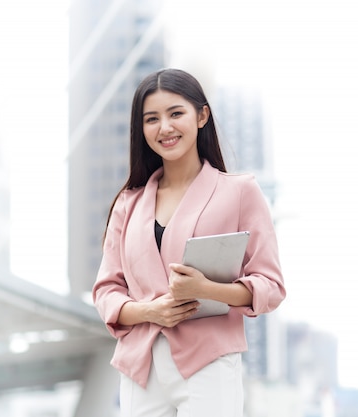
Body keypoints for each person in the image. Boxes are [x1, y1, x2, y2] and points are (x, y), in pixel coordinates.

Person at [92, 68, 286, 417]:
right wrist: (151, 311)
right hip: (141, 368)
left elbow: (270, 286)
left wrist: (208, 289)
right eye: (152, 119)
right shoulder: (128, 203)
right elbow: (106, 292)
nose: (164, 127)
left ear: (202, 115)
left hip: (208, 361)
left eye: (175, 113)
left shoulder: (240, 192)